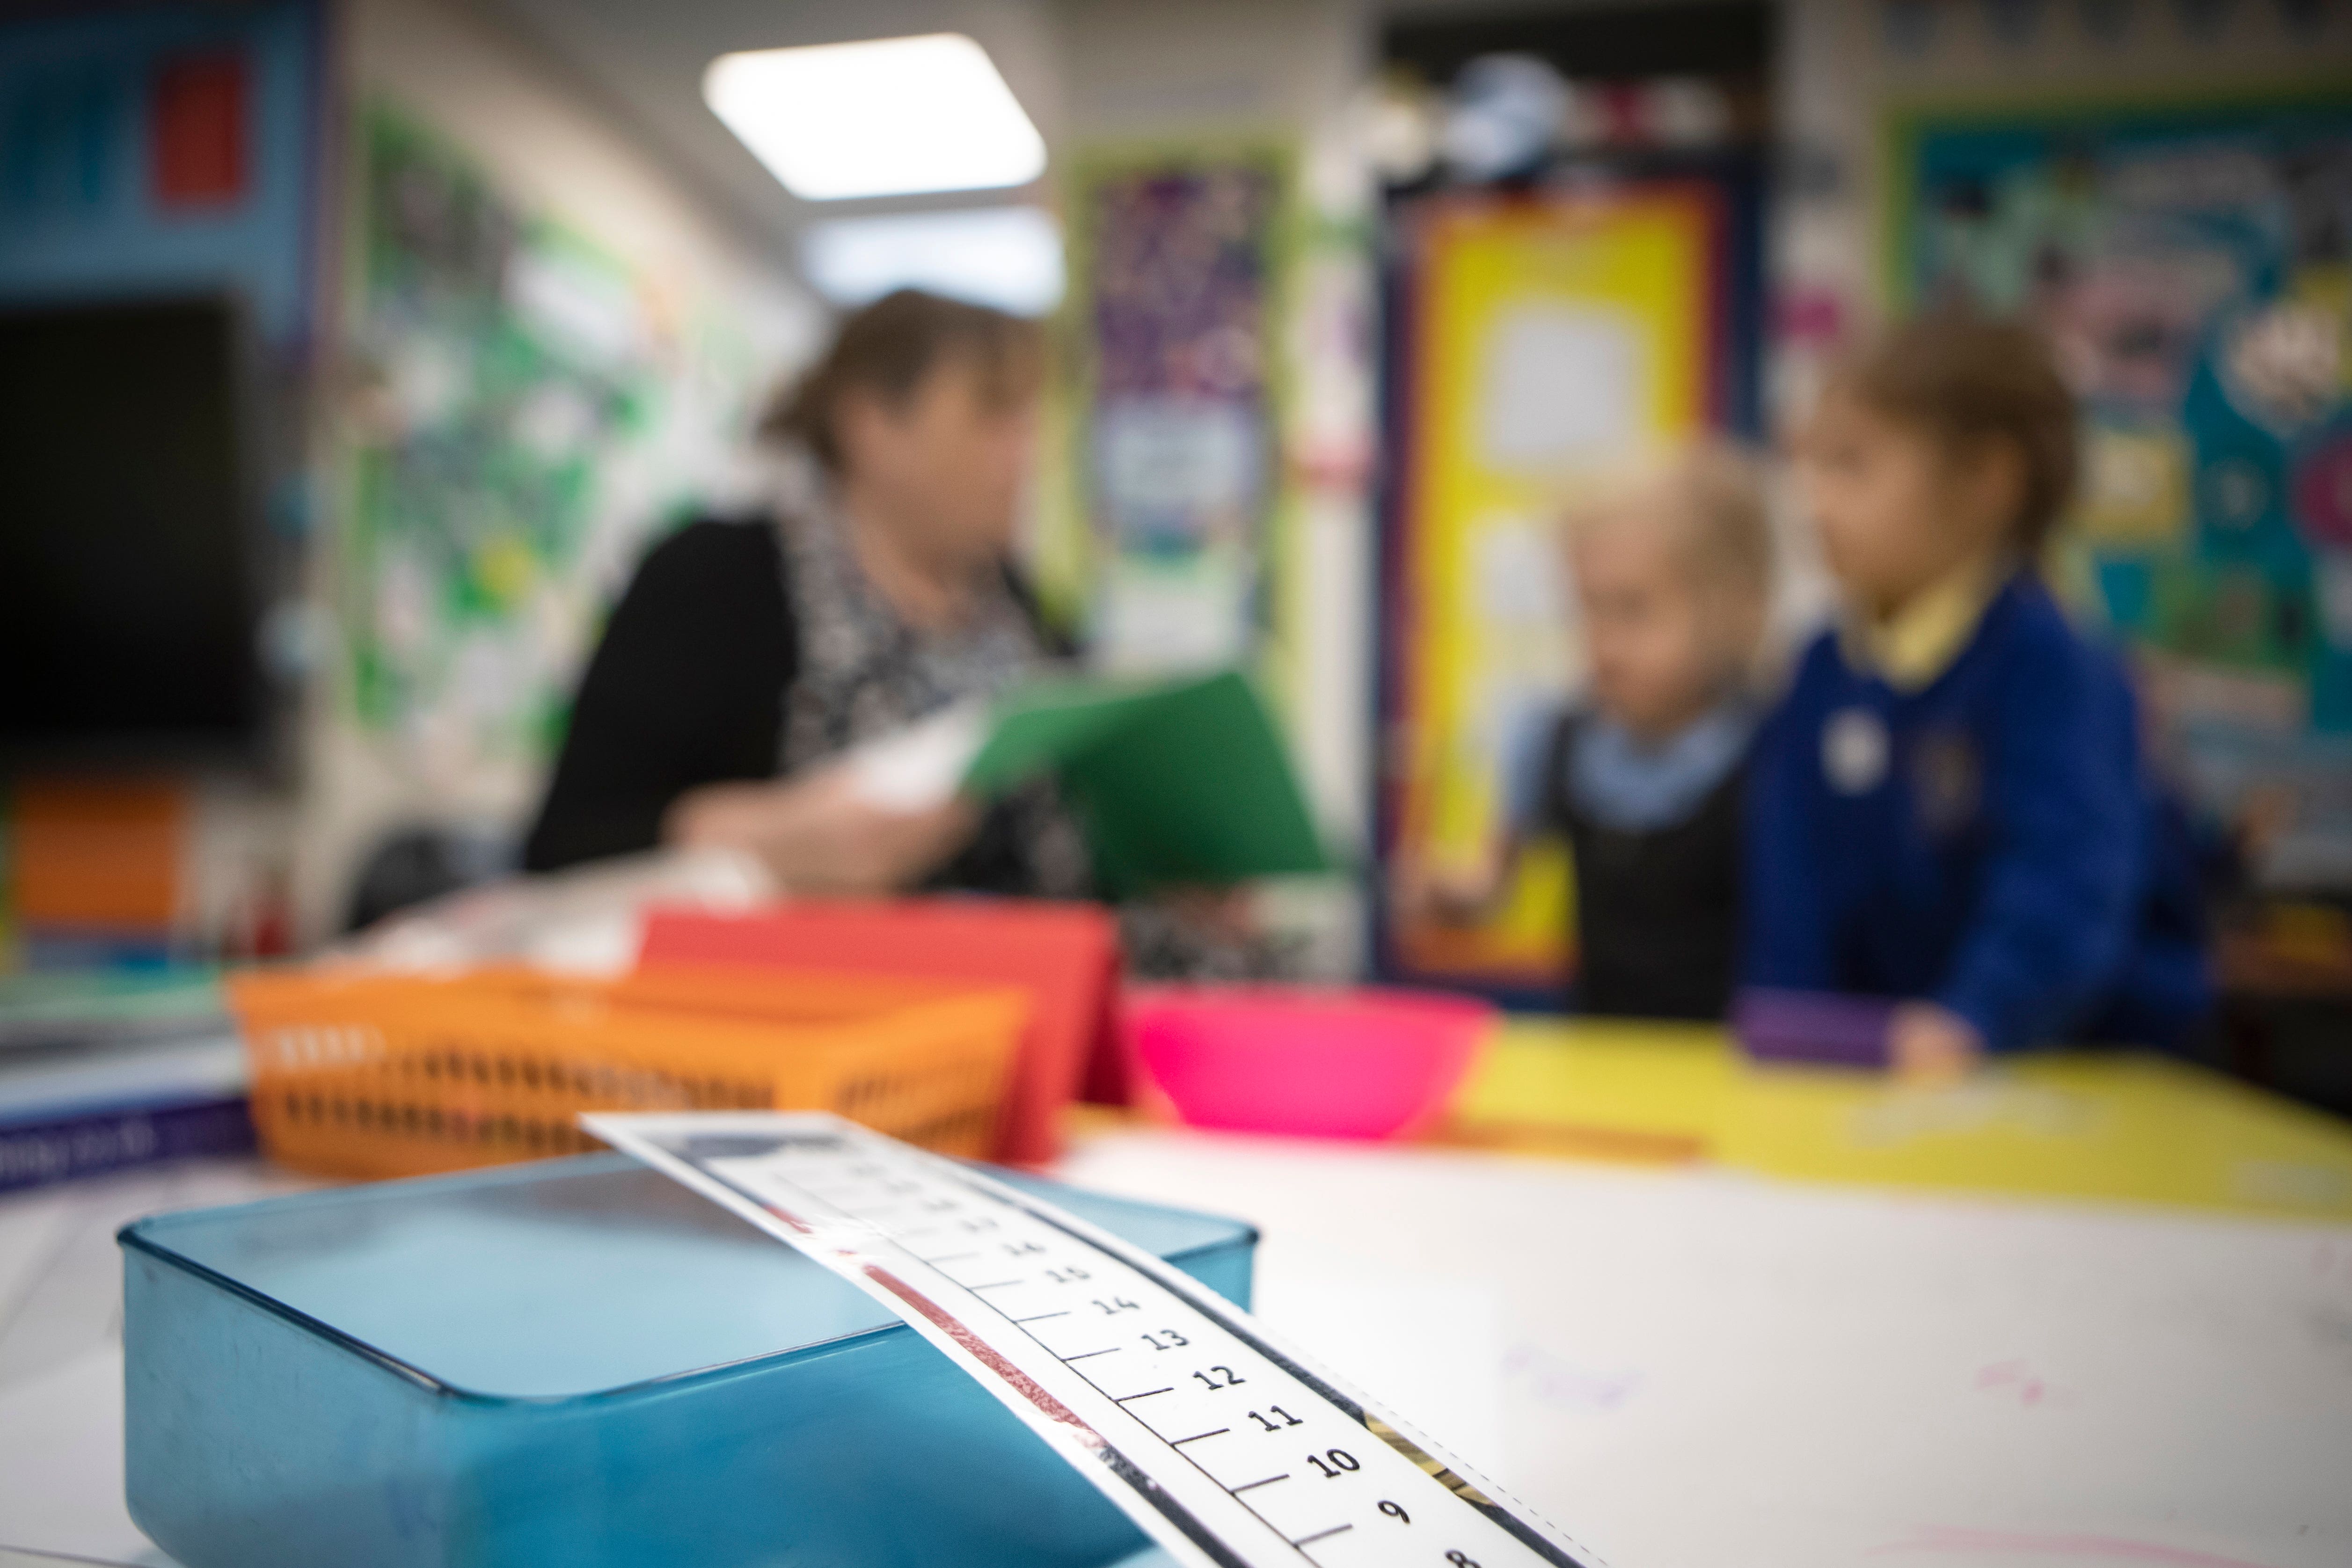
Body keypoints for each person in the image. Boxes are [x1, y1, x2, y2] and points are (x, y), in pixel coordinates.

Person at [1746, 311, 2212, 1080]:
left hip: (2079, 1075)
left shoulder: (2055, 668)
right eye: (1808, 467)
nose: (1813, 503)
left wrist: (1979, 1014)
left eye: (1851, 466)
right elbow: (1788, 878)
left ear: (1986, 481)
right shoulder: (1821, 666)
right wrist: (1790, 1029)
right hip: (1882, 1082)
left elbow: (2065, 883)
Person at [523, 289, 1088, 899]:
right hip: (797, 981)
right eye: (989, 417)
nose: (1020, 454)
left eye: (1027, 421)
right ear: (870, 422)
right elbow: (568, 842)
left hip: (1046, 975)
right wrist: (770, 838)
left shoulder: (1027, 609)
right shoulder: (716, 580)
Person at [1397, 443, 1774, 1019]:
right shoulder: (1556, 741)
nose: (1604, 643)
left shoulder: (1771, 755)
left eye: (1634, 609)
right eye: (1587, 609)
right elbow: (1490, 888)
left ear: (1730, 606)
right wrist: (1448, 896)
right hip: (1595, 1064)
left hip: (1730, 1076)